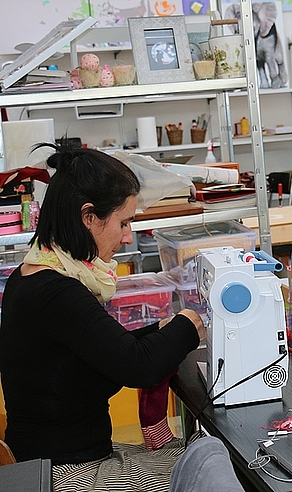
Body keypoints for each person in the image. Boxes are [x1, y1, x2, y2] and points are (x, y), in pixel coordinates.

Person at [0, 142, 206, 491]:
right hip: (66, 473)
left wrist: (162, 329)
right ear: (89, 217)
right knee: (210, 469)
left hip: (57, 457)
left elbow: (106, 351)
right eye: (123, 222)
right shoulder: (57, 292)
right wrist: (190, 323)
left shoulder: (35, 274)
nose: (128, 237)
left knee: (202, 458)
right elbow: (138, 366)